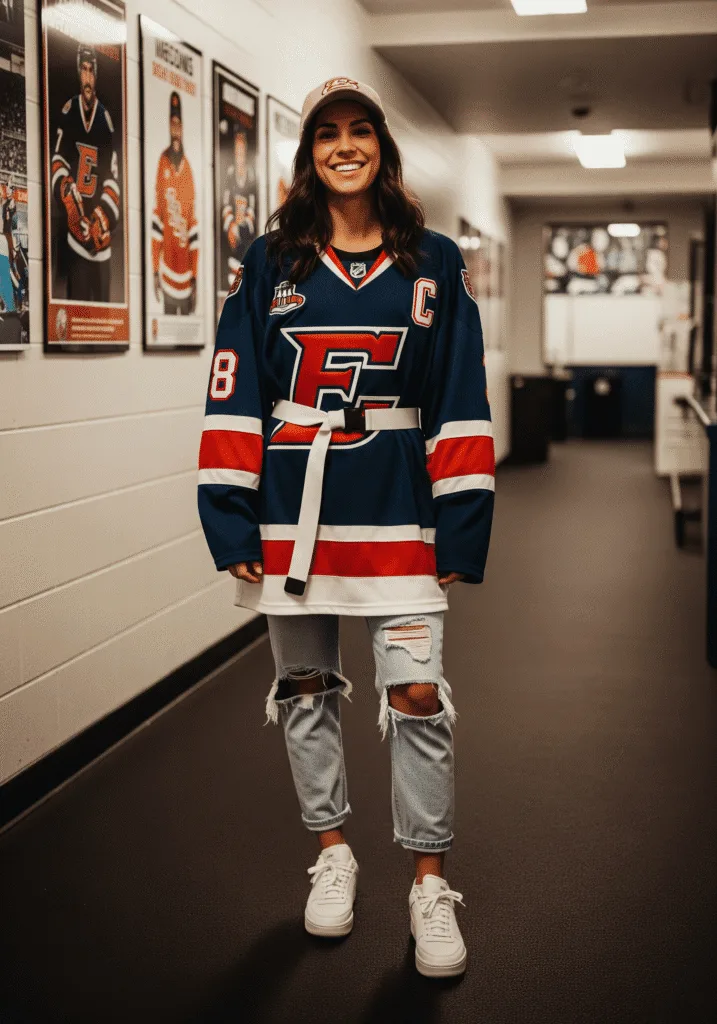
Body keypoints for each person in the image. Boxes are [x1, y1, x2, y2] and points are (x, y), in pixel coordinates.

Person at [197, 77, 496, 978]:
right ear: (307, 152)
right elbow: (232, 389)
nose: (343, 145)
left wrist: (461, 523)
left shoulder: (433, 261)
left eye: (359, 129)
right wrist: (229, 513)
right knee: (307, 690)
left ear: (380, 146)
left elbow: (459, 398)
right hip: (294, 513)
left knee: (414, 696)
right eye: (326, 132)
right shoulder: (270, 262)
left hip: (398, 514)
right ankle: (332, 852)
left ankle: (428, 883)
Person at [51, 44, 121, 303]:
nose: (88, 77)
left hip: (100, 245)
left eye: (92, 71)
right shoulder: (69, 112)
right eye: (84, 70)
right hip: (74, 240)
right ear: (78, 72)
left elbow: (114, 181)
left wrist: (100, 217)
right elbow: (57, 161)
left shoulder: (105, 120)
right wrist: (67, 196)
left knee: (103, 319)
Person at [152, 90, 199, 315]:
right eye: (172, 124)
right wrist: (153, 271)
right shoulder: (162, 163)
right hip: (168, 273)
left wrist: (196, 277)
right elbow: (157, 220)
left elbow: (193, 226)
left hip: (186, 277)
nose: (176, 129)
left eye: (179, 124)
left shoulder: (188, 168)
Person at [220, 125, 256, 292]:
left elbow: (252, 205)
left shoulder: (250, 175)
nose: (239, 155)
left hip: (246, 234)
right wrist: (231, 224)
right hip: (232, 232)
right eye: (237, 151)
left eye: (242, 151)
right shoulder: (230, 174)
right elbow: (226, 203)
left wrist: (245, 225)